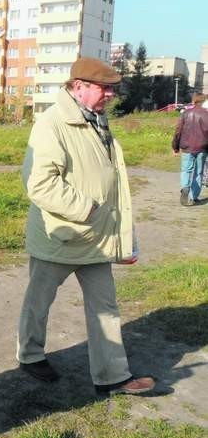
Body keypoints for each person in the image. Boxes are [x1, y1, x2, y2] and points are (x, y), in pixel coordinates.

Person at [17, 57, 155, 396]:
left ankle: (113, 375)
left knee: (106, 307)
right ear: (78, 87)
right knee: (39, 300)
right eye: (104, 88)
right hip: (62, 237)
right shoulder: (53, 123)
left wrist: (120, 232)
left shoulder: (96, 119)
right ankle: (30, 355)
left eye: (112, 88)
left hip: (96, 239)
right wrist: (88, 209)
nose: (110, 94)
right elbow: (38, 183)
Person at [172, 93, 208, 205]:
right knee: (199, 172)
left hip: (187, 147)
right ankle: (194, 196)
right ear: (203, 101)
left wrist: (175, 147)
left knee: (186, 170)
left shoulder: (185, 113)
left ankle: (185, 188)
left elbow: (178, 131)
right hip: (203, 147)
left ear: (193, 101)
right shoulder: (207, 115)